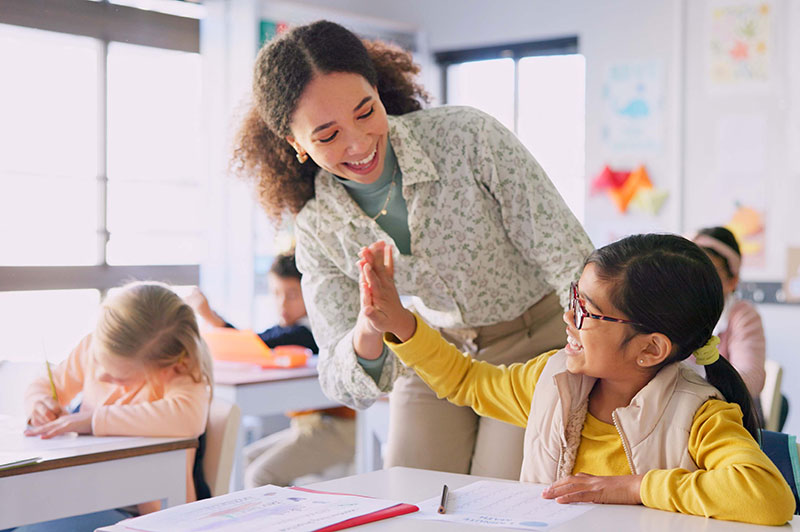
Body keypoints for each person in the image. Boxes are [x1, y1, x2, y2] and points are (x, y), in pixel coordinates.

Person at [232, 19, 594, 479]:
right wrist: (369, 326)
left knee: (497, 498)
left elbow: (570, 260)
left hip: (534, 347)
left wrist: (593, 356)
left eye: (365, 112)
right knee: (410, 496)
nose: (358, 143)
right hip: (429, 353)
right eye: (327, 135)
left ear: (379, 91)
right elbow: (341, 379)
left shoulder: (467, 138)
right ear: (294, 143)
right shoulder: (319, 225)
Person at [356, 234, 794, 525]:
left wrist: (632, 488)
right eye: (572, 298)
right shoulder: (551, 380)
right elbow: (466, 382)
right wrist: (402, 324)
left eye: (586, 310)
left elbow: (768, 496)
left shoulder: (698, 415)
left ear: (651, 349)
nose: (568, 317)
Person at [20, 281, 213, 531]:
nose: (100, 377)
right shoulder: (93, 345)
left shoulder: (179, 375)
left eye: (118, 378)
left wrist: (92, 421)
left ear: (166, 367)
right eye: (99, 362)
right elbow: (48, 383)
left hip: (138, 514)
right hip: (84, 490)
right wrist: (40, 402)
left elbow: (189, 417)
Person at [187, 251, 356, 489]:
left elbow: (255, 345)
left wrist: (209, 316)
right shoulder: (292, 328)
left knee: (260, 476)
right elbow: (260, 341)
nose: (282, 304)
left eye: (292, 295)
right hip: (307, 428)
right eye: (276, 294)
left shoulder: (309, 333)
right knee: (245, 460)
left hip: (337, 430)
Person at [692, 227, 766, 400]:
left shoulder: (742, 315)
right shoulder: (673, 310)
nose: (696, 280)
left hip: (728, 411)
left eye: (709, 272)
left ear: (732, 281)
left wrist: (695, 395)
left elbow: (750, 378)